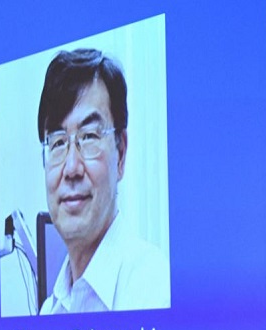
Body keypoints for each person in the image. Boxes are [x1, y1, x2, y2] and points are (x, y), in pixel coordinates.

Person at [38, 49, 169, 314]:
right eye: (58, 142)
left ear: (120, 154)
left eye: (89, 136)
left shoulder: (156, 290)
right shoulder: (50, 311)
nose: (71, 167)